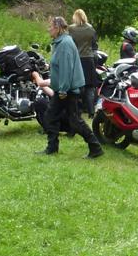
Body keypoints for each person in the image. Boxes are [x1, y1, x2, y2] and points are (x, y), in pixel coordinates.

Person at [37, 16, 103, 159]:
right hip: (64, 89)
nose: (48, 29)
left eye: (50, 27)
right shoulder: (59, 42)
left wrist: (63, 89)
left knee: (74, 120)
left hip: (67, 90)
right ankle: (52, 147)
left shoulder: (65, 44)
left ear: (57, 28)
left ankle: (95, 147)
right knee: (52, 116)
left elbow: (66, 68)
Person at [69, 9, 99, 116]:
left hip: (76, 60)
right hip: (89, 59)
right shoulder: (90, 28)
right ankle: (91, 112)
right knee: (89, 87)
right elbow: (95, 45)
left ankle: (77, 110)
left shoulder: (71, 29)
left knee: (77, 86)